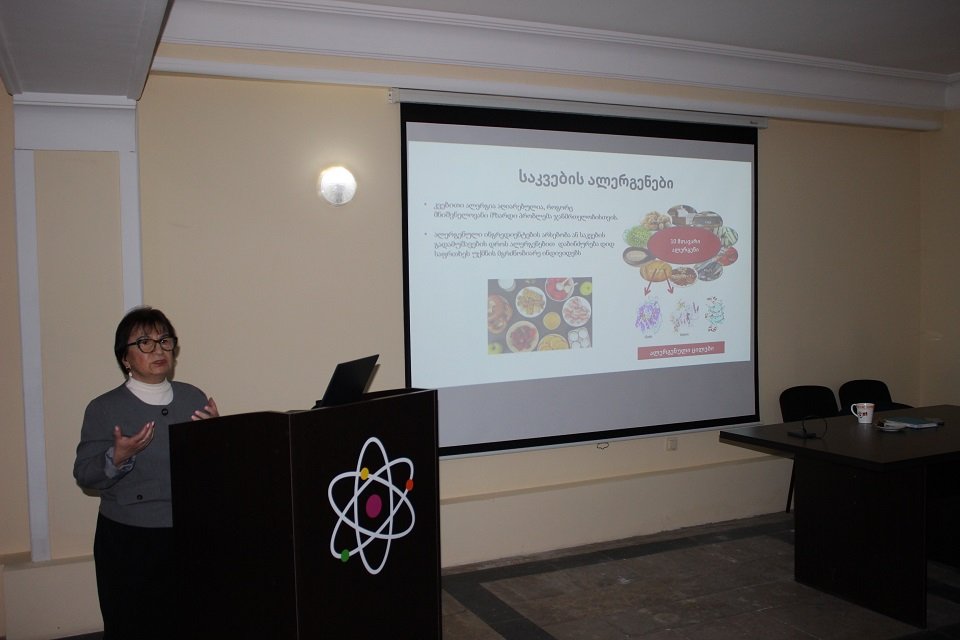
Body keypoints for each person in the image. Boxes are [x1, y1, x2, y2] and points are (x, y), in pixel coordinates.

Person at [73, 306, 219, 639]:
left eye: (165, 340)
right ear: (125, 358)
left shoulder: (192, 397)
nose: (158, 350)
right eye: (145, 342)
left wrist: (215, 436)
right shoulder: (104, 407)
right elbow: (84, 473)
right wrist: (116, 457)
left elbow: (211, 471)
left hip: (188, 532)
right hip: (129, 538)